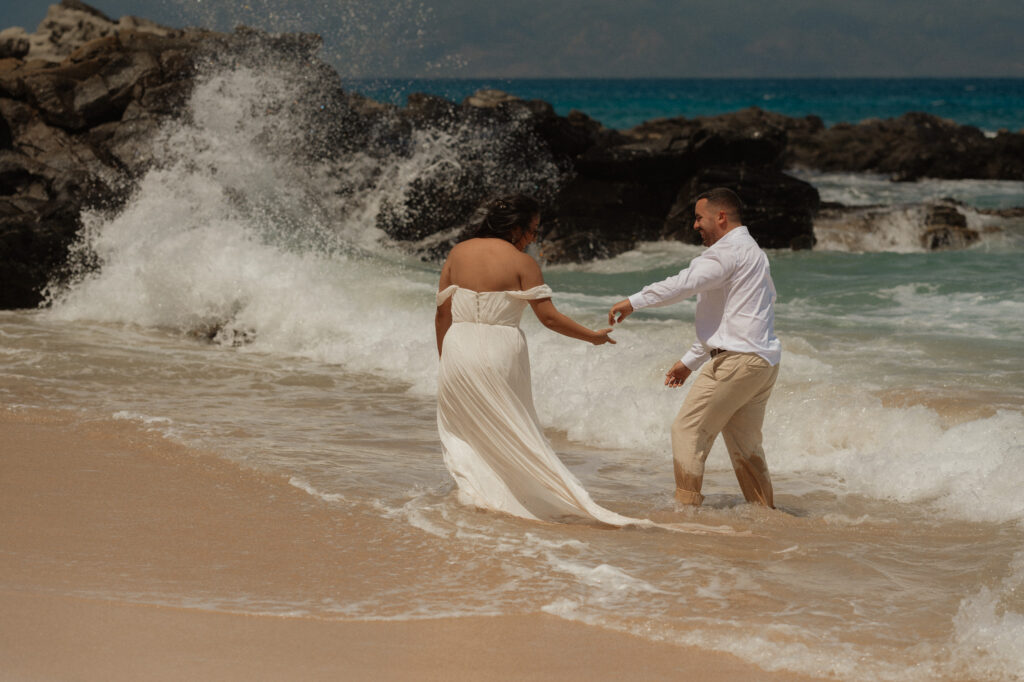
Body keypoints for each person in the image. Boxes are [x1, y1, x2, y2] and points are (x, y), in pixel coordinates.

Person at [435, 193, 636, 525]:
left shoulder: (459, 252)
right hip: (500, 350)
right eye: (532, 230)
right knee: (514, 427)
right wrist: (593, 336)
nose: (533, 238)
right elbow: (549, 319)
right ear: (515, 228)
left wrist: (446, 359)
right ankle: (513, 497)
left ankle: (475, 495)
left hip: (457, 348)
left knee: (464, 431)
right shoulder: (522, 263)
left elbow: (442, 315)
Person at [607, 188, 782, 508]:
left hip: (737, 363)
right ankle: (767, 519)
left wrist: (635, 301)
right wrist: (690, 361)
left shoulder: (726, 253)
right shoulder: (754, 252)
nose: (694, 225)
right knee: (745, 446)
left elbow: (684, 283)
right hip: (762, 364)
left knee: (687, 431)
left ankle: (685, 514)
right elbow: (737, 316)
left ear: (721, 217)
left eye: (699, 218)